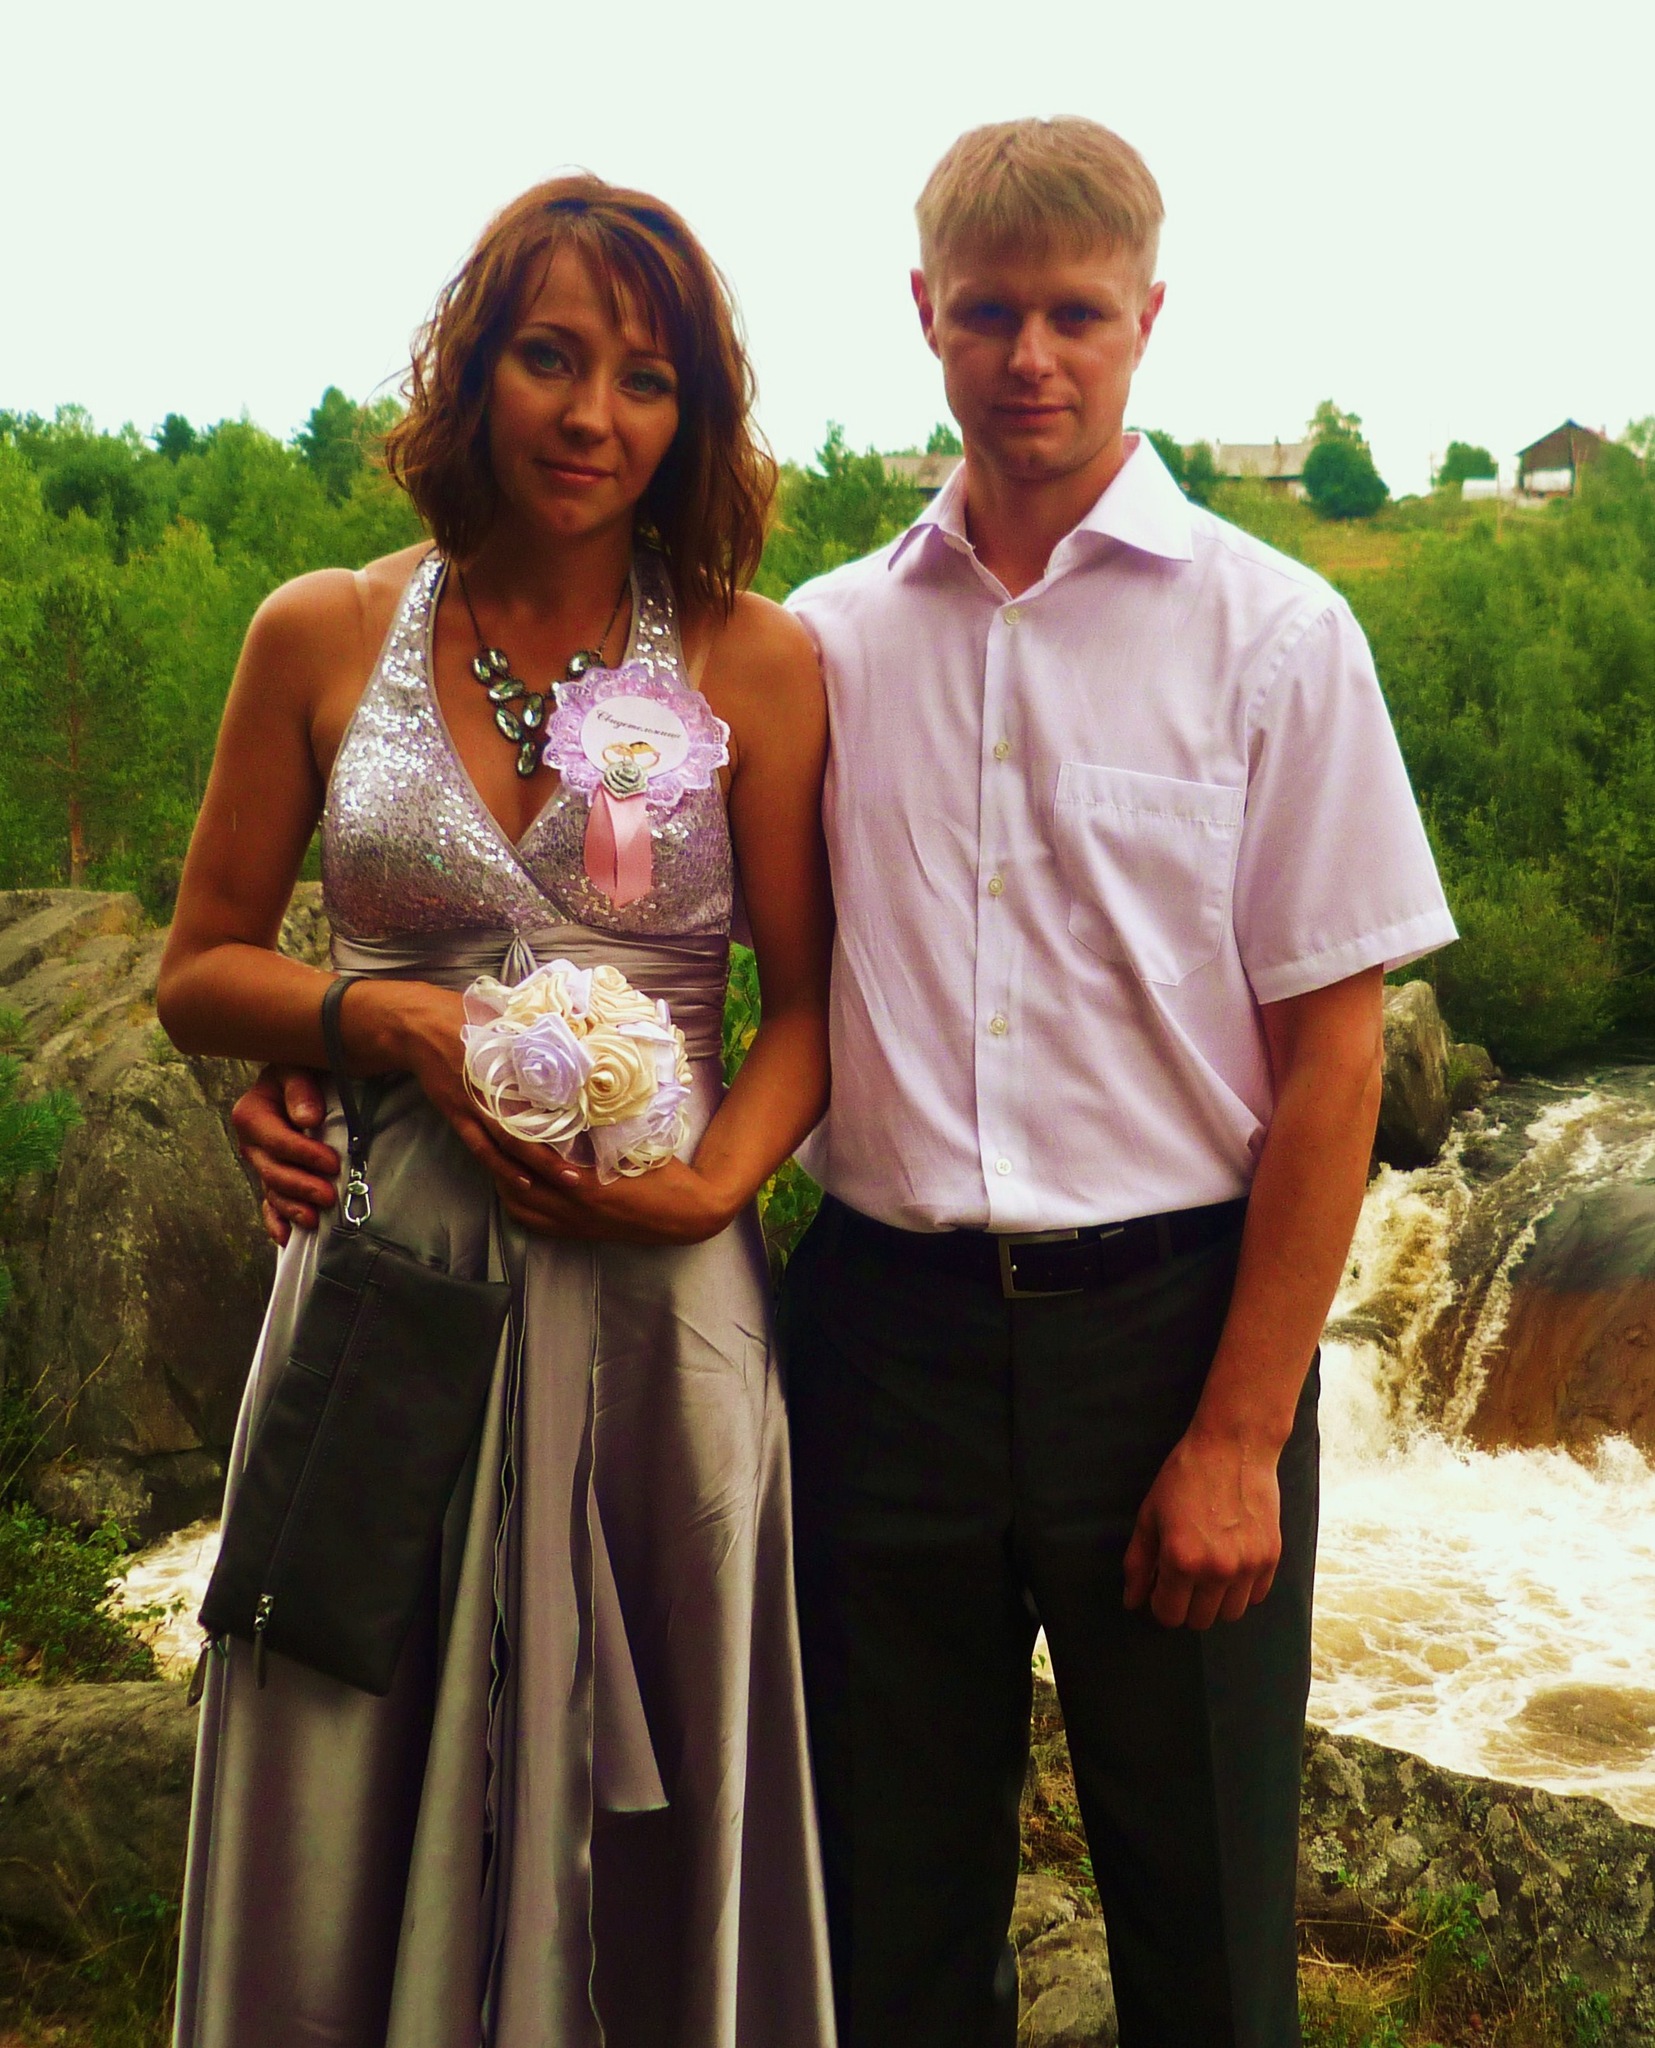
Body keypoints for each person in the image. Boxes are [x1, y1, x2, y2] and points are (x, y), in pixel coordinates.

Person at [238, 119, 1458, 2048]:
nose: (1031, 357)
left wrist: (1242, 1432)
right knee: (886, 1940)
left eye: (1076, 315)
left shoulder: (1280, 639)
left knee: (1211, 1943)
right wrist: (324, 1055)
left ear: (1148, 319)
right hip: (879, 1348)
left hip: (1169, 1342)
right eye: (990, 313)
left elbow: (1337, 1062)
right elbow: (617, 931)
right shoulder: (825, 642)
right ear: (925, 316)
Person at [156, 177, 837, 2048]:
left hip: (663, 1316)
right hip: (387, 1291)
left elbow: (810, 1010)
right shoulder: (318, 632)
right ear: (472, 368)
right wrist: (373, 1018)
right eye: (550, 356)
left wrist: (712, 1188)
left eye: (646, 378)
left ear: (692, 414)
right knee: (335, 1743)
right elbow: (199, 965)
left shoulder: (758, 662)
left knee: (660, 1805)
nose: (591, 414)